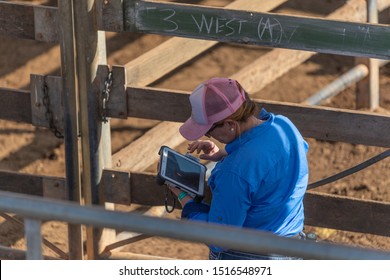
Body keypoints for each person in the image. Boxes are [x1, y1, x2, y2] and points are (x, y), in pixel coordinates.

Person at [169, 77, 309, 260]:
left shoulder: (234, 172)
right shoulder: (284, 126)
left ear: (230, 125)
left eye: (209, 131)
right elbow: (270, 161)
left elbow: (220, 238)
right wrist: (227, 153)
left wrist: (183, 198)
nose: (208, 135)